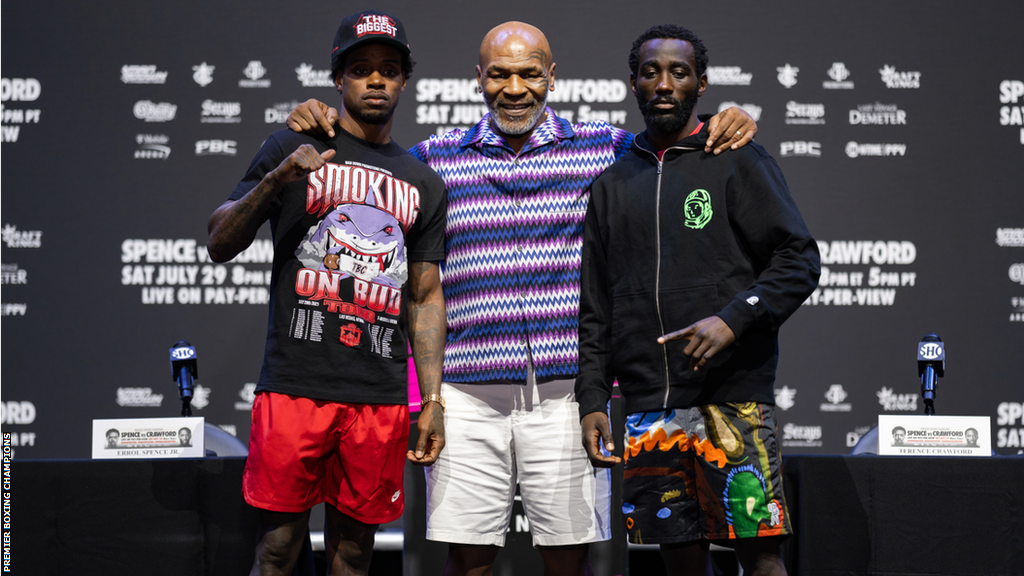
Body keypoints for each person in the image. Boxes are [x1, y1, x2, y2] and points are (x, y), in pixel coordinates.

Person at [286, 21, 756, 576]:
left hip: (566, 394)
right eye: (501, 75)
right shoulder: (432, 159)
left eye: (530, 74)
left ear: (551, 77)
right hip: (464, 393)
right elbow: (367, 171)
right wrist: (316, 124)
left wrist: (725, 121)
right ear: (479, 79)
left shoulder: (604, 149)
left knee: (567, 560)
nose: (515, 88)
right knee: (469, 562)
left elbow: (672, 151)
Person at [206, 10, 447, 576]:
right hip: (296, 386)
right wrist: (276, 180)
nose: (376, 80)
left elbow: (425, 296)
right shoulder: (290, 145)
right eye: (361, 69)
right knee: (277, 548)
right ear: (338, 79)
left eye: (389, 70)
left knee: (355, 554)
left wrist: (431, 399)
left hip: (379, 396)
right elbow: (219, 241)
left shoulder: (423, 181)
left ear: (404, 82)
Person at [576, 24, 820, 576]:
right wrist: (593, 398)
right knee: (678, 561)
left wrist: (733, 320)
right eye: (651, 71)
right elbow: (597, 309)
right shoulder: (611, 184)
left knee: (759, 556)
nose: (664, 83)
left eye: (678, 72)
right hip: (647, 409)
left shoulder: (736, 157)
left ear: (701, 84)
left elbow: (799, 259)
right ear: (633, 82)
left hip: (730, 398)